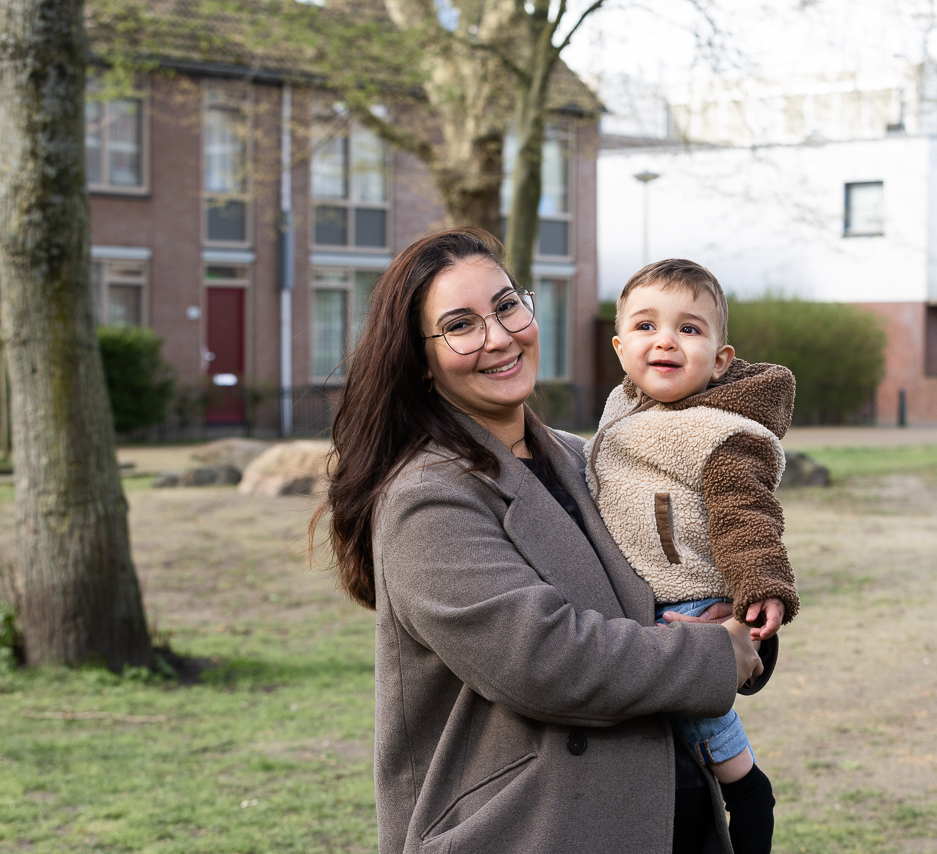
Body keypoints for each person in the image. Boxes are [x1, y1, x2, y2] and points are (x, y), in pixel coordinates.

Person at [314, 227, 777, 854]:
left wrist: (747, 621)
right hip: (531, 830)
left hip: (669, 820)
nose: (500, 336)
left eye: (507, 305)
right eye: (460, 324)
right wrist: (716, 656)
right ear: (420, 363)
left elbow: (677, 585)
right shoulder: (425, 497)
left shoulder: (586, 459)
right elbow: (545, 661)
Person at [584, 259, 800, 854]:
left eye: (689, 329)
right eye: (647, 326)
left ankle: (749, 792)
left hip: (690, 600)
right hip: (645, 595)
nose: (666, 341)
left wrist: (761, 587)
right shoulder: (622, 411)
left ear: (721, 359)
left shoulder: (721, 434)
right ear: (621, 345)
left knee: (709, 740)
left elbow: (747, 517)